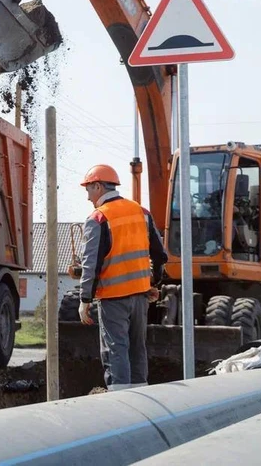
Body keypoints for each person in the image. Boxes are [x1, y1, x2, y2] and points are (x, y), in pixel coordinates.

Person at [77, 164, 168, 391]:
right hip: (140, 297)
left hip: (113, 298)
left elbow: (91, 265)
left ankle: (120, 400)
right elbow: (160, 254)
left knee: (115, 348)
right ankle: (140, 397)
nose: (88, 197)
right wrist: (153, 283)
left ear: (98, 186)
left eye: (88, 190)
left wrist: (85, 300)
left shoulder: (98, 218)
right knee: (138, 347)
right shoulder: (142, 212)